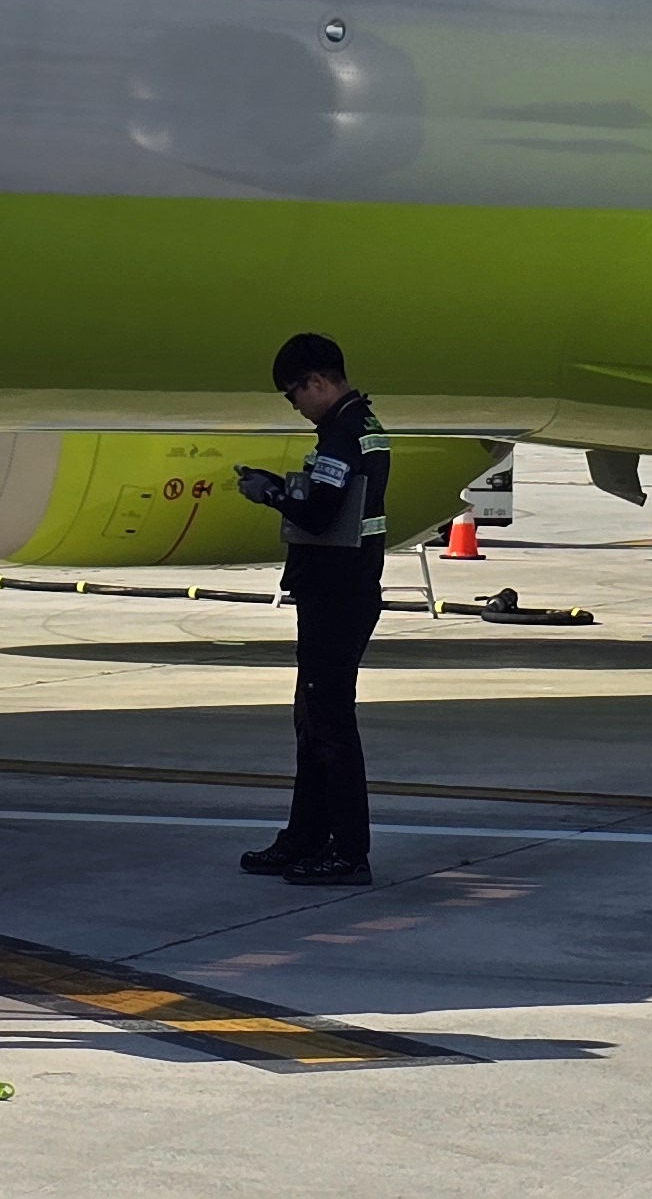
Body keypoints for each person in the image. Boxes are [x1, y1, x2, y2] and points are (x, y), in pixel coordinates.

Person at [234, 330, 390, 888]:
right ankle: (306, 837)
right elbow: (333, 502)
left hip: (335, 595)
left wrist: (269, 494)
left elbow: (321, 514)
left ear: (318, 382)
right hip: (345, 591)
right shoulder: (361, 426)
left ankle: (346, 852)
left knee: (329, 725)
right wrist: (284, 487)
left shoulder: (342, 435)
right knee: (313, 720)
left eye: (294, 393)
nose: (295, 406)